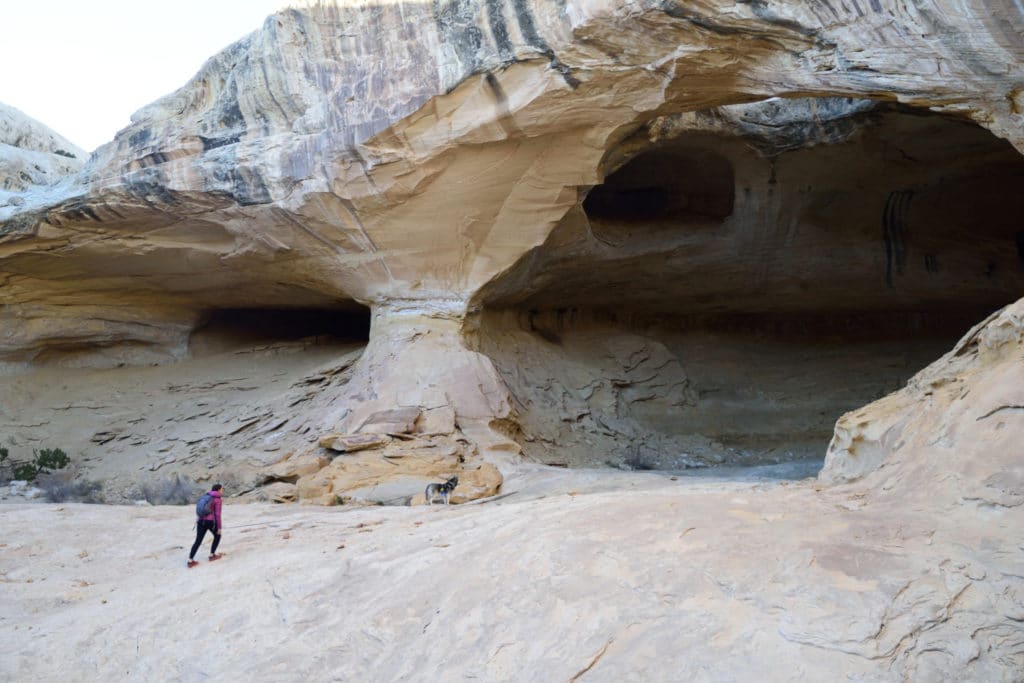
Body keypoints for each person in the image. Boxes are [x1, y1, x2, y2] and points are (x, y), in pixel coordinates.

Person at [187, 483, 223, 568]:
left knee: (198, 540)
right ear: (218, 490)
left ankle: (190, 560)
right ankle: (212, 555)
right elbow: (217, 514)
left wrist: (199, 519)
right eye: (222, 489)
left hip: (200, 521)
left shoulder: (205, 496)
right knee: (218, 535)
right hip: (210, 522)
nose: (222, 491)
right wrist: (219, 527)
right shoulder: (217, 499)